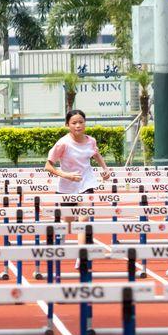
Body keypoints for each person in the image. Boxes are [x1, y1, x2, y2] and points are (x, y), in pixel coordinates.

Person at [45, 109, 111, 264]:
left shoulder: (91, 141)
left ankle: (81, 256)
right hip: (67, 186)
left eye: (81, 122)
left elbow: (96, 154)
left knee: (84, 218)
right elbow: (48, 166)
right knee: (68, 222)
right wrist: (66, 175)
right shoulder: (62, 143)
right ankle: (62, 238)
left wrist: (105, 169)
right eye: (74, 123)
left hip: (86, 183)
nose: (78, 125)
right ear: (67, 125)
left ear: (85, 123)